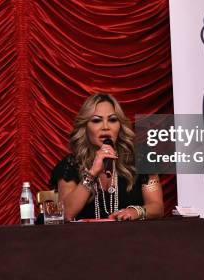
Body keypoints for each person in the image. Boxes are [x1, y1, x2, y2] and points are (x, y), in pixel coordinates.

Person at [50, 93, 164, 221]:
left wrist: (136, 211)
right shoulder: (70, 164)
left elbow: (157, 207)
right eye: (96, 120)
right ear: (85, 127)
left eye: (112, 120)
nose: (105, 127)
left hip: (132, 238)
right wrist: (92, 174)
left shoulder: (140, 158)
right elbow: (66, 214)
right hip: (85, 239)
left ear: (120, 126)